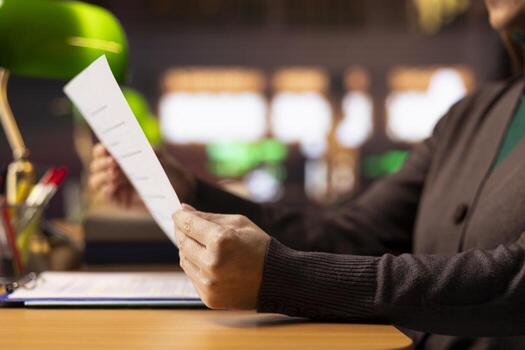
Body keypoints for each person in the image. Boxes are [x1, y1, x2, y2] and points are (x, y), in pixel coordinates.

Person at [88, 1, 525, 348]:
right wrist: (189, 191)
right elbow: (352, 233)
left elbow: (512, 284)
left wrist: (284, 278)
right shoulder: (470, 116)